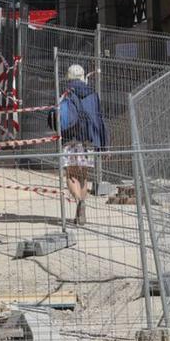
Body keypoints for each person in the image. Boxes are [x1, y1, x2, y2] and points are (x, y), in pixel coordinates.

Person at [57, 64, 108, 225]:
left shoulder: (67, 93)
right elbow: (99, 118)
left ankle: (79, 201)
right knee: (83, 176)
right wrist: (103, 144)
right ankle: (82, 207)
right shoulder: (93, 94)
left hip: (71, 139)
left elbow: (61, 117)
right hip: (89, 139)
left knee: (71, 175)